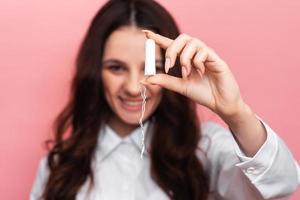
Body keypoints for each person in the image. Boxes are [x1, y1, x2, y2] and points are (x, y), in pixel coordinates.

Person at [30, 0, 299, 199]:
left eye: (152, 69)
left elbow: (284, 184)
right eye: (116, 67)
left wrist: (236, 113)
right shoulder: (60, 166)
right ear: (95, 72)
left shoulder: (205, 148)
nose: (135, 88)